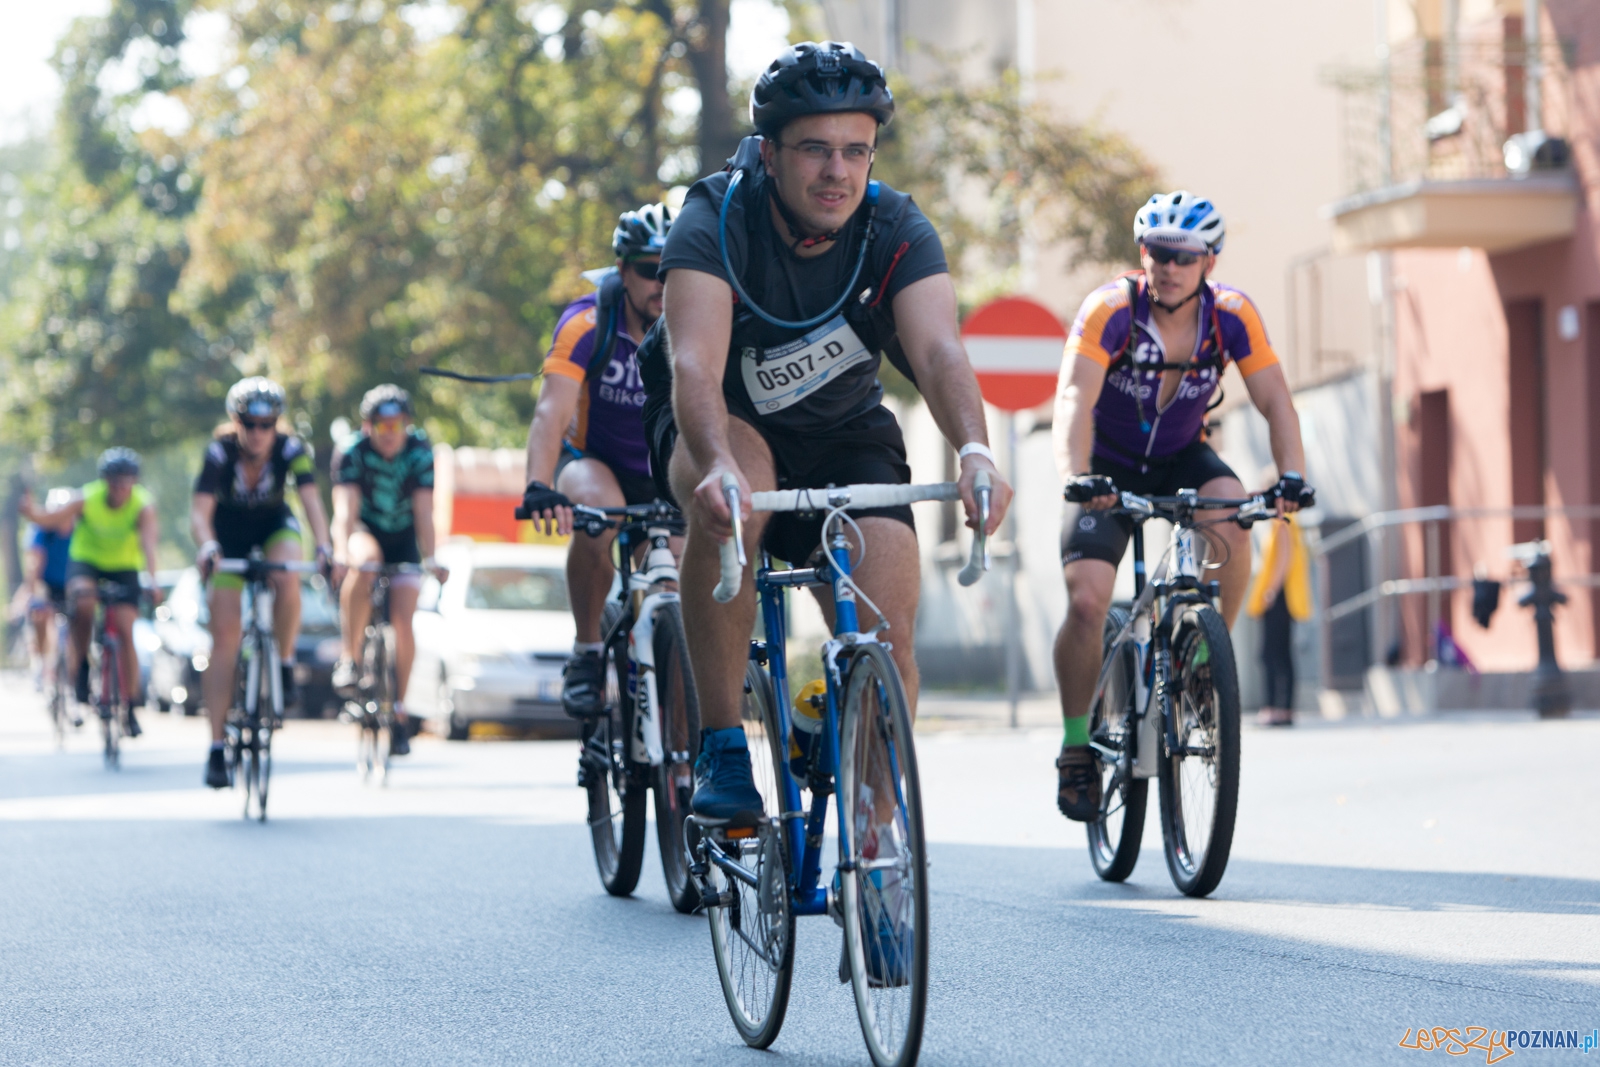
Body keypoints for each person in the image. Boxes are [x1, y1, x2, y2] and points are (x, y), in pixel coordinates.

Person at [637, 41, 1010, 826]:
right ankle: (722, 747)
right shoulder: (713, 218)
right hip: (723, 425)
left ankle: (875, 826)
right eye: (815, 150)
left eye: (855, 152)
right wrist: (711, 465)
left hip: (843, 429)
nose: (837, 171)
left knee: (887, 624)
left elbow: (939, 352)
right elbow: (696, 367)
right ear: (770, 154)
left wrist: (976, 448)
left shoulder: (894, 226)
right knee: (736, 500)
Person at [1051, 190, 1310, 820]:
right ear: (1144, 254)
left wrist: (1293, 476)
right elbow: (1072, 401)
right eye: (1159, 253)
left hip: (1180, 455)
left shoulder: (1232, 315)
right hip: (1105, 464)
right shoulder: (1111, 308)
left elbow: (1276, 399)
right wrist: (1076, 475)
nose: (1169, 266)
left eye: (1185, 257)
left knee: (1238, 518)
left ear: (1209, 263)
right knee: (1087, 599)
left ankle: (1204, 659)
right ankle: (1076, 744)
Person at [521, 203, 672, 717]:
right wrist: (538, 485)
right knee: (598, 515)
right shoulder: (587, 322)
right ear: (623, 270)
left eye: (671, 271)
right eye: (651, 271)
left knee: (678, 583)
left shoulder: (695, 319)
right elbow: (550, 411)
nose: (662, 285)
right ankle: (587, 650)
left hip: (662, 469)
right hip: (593, 459)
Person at [191, 377, 332, 789]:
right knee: (226, 640)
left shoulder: (292, 450)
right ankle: (217, 747)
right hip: (227, 537)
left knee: (287, 575)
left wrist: (324, 547)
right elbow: (199, 513)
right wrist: (208, 546)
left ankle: (284, 662)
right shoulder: (218, 453)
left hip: (273, 527)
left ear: (277, 423)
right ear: (235, 422)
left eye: (266, 424)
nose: (257, 433)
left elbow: (311, 502)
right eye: (249, 424)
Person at [329, 384, 444, 755]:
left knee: (404, 618)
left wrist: (432, 557)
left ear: (407, 425)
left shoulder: (419, 451)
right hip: (365, 531)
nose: (391, 434)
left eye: (398, 426)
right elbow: (345, 512)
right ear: (368, 427)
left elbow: (425, 512)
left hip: (404, 535)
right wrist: (342, 552)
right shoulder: (351, 451)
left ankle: (399, 710)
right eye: (382, 426)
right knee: (365, 565)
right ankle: (350, 658)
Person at [22, 451, 162, 736]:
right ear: (105, 482)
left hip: (124, 565)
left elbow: (149, 545)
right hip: (87, 562)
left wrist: (153, 579)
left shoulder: (142, 506)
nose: (120, 490)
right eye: (114, 483)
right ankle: (82, 669)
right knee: (83, 604)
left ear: (134, 483)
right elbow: (50, 519)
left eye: (126, 484)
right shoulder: (87, 498)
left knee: (125, 628)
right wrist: (31, 511)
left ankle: (131, 704)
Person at [1246, 506, 1311, 726]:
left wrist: (1270, 592)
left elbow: (1284, 558)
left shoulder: (1282, 521)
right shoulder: (1288, 521)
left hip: (1279, 597)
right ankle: (1283, 709)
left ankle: (1276, 708)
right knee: (1281, 653)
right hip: (1284, 596)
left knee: (1271, 654)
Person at [24, 488, 75, 697]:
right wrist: (33, 593)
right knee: (41, 614)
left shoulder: (79, 531)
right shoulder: (42, 530)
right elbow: (35, 562)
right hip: (48, 583)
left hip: (72, 584)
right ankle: (41, 663)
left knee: (78, 625)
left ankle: (75, 679)